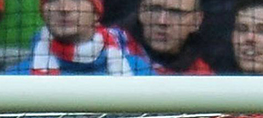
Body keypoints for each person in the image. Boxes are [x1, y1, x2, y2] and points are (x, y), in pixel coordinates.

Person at [8, 0, 155, 74]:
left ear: (96, 12)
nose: (64, 8)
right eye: (53, 0)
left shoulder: (139, 71)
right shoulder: (14, 79)